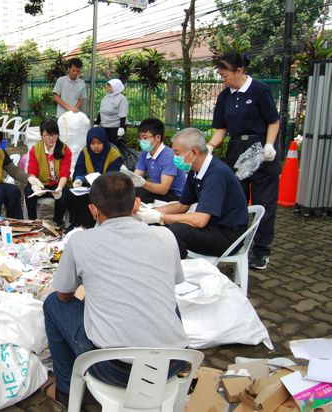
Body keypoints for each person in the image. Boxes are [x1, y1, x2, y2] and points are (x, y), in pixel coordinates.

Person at [43, 172, 188, 407]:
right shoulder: (165, 235)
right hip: (174, 363)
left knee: (52, 304)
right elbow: (169, 282)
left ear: (93, 210)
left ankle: (67, 390)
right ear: (137, 204)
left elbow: (63, 295)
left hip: (114, 370)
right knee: (166, 302)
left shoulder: (80, 241)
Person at [207, 52, 280, 270]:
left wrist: (269, 145)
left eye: (225, 75)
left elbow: (273, 121)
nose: (223, 79)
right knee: (236, 200)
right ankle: (236, 244)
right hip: (237, 149)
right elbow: (221, 129)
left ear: (239, 71)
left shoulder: (259, 89)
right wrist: (210, 146)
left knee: (263, 201)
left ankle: (261, 250)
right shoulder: (225, 96)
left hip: (262, 149)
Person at [139, 128, 248, 260]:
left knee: (178, 231)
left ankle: (178, 274)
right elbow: (182, 205)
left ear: (194, 152)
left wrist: (161, 217)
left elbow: (200, 220)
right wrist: (148, 212)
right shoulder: (194, 169)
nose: (174, 158)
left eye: (177, 153)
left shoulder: (216, 175)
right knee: (155, 224)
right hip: (212, 227)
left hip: (227, 236)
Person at [67, 127, 122, 229]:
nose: (96, 146)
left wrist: (99, 181)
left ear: (104, 141)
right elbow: (79, 169)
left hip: (106, 187)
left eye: (99, 143)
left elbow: (113, 175)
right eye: (92, 143)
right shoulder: (85, 152)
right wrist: (79, 179)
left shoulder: (114, 155)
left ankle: (94, 225)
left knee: (96, 196)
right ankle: (77, 224)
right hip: (87, 186)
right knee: (75, 194)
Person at [25, 118, 72, 225]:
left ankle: (57, 222)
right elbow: (32, 169)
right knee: (28, 191)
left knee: (65, 193)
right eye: (47, 135)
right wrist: (34, 184)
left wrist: (59, 188)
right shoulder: (35, 149)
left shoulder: (64, 149)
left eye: (54, 135)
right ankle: (33, 221)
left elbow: (65, 172)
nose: (51, 138)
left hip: (57, 184)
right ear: (42, 135)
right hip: (41, 184)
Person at [132, 118, 186, 203]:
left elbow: (163, 189)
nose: (142, 141)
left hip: (175, 194)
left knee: (142, 195)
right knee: (131, 192)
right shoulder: (145, 153)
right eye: (140, 138)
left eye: (145, 138)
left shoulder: (169, 155)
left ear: (157, 138)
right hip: (158, 191)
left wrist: (143, 183)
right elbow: (135, 176)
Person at [96, 78, 128, 152]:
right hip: (105, 125)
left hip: (116, 127)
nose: (108, 88)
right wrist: (97, 123)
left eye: (110, 86)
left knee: (115, 147)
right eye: (107, 86)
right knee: (105, 146)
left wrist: (121, 127)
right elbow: (101, 111)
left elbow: (123, 114)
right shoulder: (106, 97)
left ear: (116, 87)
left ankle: (118, 161)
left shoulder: (121, 99)